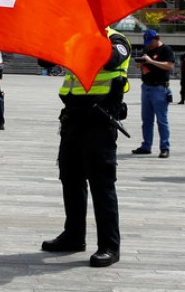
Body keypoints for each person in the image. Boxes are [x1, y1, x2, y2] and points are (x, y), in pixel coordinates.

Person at [41, 26, 131, 268]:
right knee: (70, 179)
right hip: (73, 119)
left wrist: (84, 42)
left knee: (102, 184)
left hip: (99, 122)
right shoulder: (75, 37)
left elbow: (111, 60)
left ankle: (110, 246)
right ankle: (73, 235)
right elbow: (45, 62)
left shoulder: (116, 40)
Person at [132, 29, 175, 158]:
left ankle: (164, 147)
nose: (148, 45)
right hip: (146, 87)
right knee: (146, 120)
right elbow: (144, 64)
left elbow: (169, 66)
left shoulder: (166, 50)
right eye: (147, 43)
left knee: (162, 120)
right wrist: (141, 65)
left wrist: (151, 61)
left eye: (150, 42)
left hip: (159, 88)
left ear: (157, 39)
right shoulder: (146, 49)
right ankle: (146, 145)